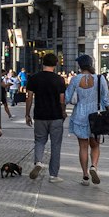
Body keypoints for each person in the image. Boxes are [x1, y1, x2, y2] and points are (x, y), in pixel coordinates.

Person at [65, 53, 109, 187]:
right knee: (95, 144)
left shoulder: (75, 79)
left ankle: (85, 175)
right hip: (96, 115)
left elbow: (68, 98)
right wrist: (108, 112)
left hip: (80, 114)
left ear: (80, 65)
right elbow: (106, 98)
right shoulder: (99, 78)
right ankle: (94, 167)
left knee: (83, 146)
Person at [25, 52, 67, 182]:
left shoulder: (34, 78)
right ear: (55, 64)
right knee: (56, 145)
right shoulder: (59, 79)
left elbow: (29, 97)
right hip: (55, 116)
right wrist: (63, 112)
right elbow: (62, 100)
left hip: (40, 115)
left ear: (42, 63)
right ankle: (53, 175)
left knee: (39, 141)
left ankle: (38, 162)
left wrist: (27, 114)